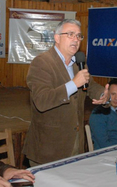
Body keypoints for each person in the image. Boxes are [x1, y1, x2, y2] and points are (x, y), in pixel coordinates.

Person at [23, 19, 109, 166]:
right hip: (48, 150)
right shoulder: (41, 62)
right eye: (70, 34)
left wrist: (103, 95)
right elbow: (42, 101)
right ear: (57, 38)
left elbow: (90, 84)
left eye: (79, 36)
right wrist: (73, 84)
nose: (76, 39)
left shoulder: (79, 62)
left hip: (76, 145)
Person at [89, 79, 117, 150]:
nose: (116, 98)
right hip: (106, 153)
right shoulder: (97, 113)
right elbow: (104, 144)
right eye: (113, 94)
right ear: (107, 94)